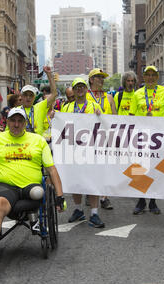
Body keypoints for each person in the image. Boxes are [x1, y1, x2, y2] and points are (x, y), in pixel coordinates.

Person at [0, 108, 65, 275]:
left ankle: (32, 216)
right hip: (5, 187)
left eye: (20, 121)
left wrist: (60, 196)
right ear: (7, 121)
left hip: (31, 187)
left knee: (39, 192)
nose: (16, 124)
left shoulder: (38, 140)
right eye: (13, 121)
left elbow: (51, 170)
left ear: (25, 123)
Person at [129, 65, 164, 215]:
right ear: (143, 77)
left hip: (158, 138)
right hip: (141, 137)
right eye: (147, 75)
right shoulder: (137, 93)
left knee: (155, 169)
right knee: (139, 169)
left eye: (153, 75)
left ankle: (153, 201)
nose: (150, 77)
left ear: (157, 77)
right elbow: (131, 116)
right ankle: (141, 200)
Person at [61, 77, 105, 228]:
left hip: (91, 149)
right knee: (75, 181)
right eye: (76, 87)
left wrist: (100, 115)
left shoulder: (94, 105)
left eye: (82, 86)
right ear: (73, 91)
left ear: (86, 89)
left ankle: (94, 213)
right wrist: (54, 117)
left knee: (93, 182)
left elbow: (103, 124)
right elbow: (61, 125)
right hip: (73, 151)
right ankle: (78, 209)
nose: (79, 89)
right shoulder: (67, 107)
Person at [87, 68, 117, 210]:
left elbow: (116, 118)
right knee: (91, 168)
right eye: (98, 77)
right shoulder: (85, 97)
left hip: (106, 138)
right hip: (89, 139)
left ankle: (105, 197)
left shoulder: (109, 98)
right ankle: (91, 192)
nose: (101, 80)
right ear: (91, 80)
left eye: (102, 77)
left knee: (106, 168)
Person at [10, 66, 57, 136]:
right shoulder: (15, 111)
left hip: (36, 145)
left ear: (34, 97)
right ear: (21, 97)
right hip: (21, 144)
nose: (28, 98)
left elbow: (54, 94)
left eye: (31, 95)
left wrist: (49, 74)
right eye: (25, 95)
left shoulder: (40, 107)